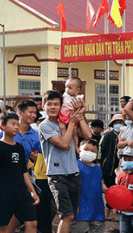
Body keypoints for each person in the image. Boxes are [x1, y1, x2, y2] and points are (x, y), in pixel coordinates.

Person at [38, 90, 92, 233]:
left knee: (71, 215)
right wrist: (71, 123)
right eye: (49, 104)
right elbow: (63, 144)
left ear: (61, 106)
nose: (53, 107)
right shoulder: (45, 125)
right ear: (43, 106)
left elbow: (88, 135)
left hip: (73, 173)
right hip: (57, 175)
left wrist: (80, 114)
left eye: (56, 104)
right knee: (66, 216)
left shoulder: (67, 121)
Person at [0, 113, 39, 233]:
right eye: (12, 124)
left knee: (32, 222)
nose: (16, 127)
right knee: (2, 227)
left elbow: (24, 172)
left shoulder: (19, 147)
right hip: (2, 194)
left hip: (21, 193)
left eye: (17, 124)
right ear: (2, 125)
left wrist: (33, 191)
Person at [70, 139, 106, 233]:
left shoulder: (98, 169)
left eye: (93, 151)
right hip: (80, 211)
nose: (89, 152)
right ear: (79, 149)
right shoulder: (74, 166)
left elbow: (100, 183)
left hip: (98, 211)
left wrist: (108, 190)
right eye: (86, 149)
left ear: (97, 153)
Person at [99, 113, 124, 221]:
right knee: (109, 190)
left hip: (120, 169)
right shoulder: (107, 136)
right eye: (116, 122)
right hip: (107, 168)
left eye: (120, 122)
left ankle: (109, 213)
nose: (118, 124)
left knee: (117, 191)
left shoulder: (125, 136)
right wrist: (99, 164)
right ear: (112, 124)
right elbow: (100, 151)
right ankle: (106, 213)